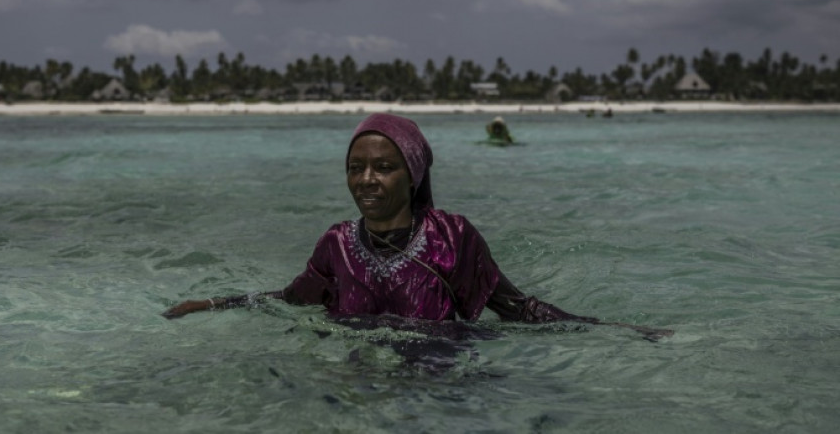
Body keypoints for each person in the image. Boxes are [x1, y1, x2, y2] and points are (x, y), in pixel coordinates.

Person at [163, 114, 671, 340]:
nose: (366, 179)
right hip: (356, 384)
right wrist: (211, 304)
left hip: (442, 388)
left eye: (383, 167)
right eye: (355, 166)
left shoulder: (454, 238)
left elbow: (518, 309)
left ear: (413, 174)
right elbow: (290, 298)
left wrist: (614, 331)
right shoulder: (335, 244)